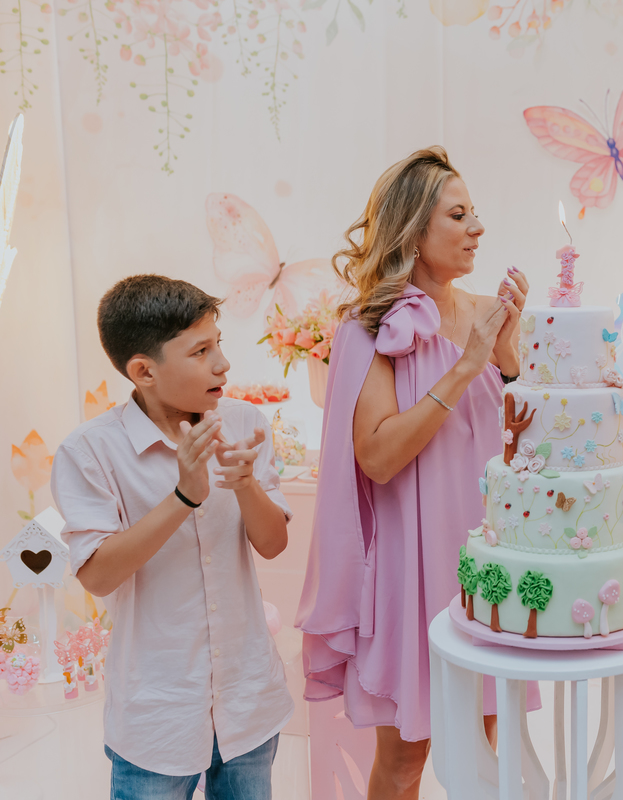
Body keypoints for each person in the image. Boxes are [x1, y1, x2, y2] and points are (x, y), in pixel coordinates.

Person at [295, 146, 535, 800]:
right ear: (413, 231)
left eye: (475, 213)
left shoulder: (488, 311)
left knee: (490, 745)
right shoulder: (368, 327)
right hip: (413, 566)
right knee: (406, 759)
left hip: (485, 557)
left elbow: (521, 449)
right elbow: (375, 455)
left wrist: (507, 359)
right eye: (459, 215)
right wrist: (465, 367)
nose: (477, 228)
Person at [50, 275, 293, 799]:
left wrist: (246, 484)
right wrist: (184, 496)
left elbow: (273, 543)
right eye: (201, 351)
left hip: (248, 702)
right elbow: (96, 575)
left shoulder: (246, 422)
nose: (223, 363)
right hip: (155, 716)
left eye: (218, 343)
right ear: (144, 372)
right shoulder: (90, 452)